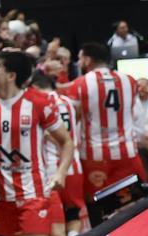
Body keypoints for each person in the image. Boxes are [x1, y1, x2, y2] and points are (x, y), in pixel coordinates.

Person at [0, 50, 73, 236]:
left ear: (11, 75)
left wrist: (61, 173)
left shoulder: (38, 103)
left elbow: (67, 142)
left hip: (32, 194)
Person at [58, 42, 147, 201]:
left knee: (100, 208)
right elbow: (138, 118)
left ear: (87, 60)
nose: (79, 63)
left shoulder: (80, 84)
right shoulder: (130, 81)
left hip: (95, 158)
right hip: (127, 153)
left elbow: (73, 120)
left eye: (80, 59)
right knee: (135, 205)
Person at [30, 71, 88, 236]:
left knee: (54, 222)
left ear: (34, 87)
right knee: (73, 212)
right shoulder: (68, 102)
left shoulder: (38, 104)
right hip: (74, 166)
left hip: (51, 169)